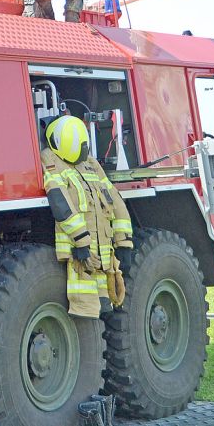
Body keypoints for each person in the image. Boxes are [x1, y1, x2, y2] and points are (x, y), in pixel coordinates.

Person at [40, 115, 132, 318]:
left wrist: (124, 243)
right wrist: (81, 242)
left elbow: (115, 202)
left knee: (105, 308)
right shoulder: (51, 162)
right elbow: (61, 204)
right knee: (84, 313)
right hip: (79, 255)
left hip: (103, 255)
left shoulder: (90, 164)